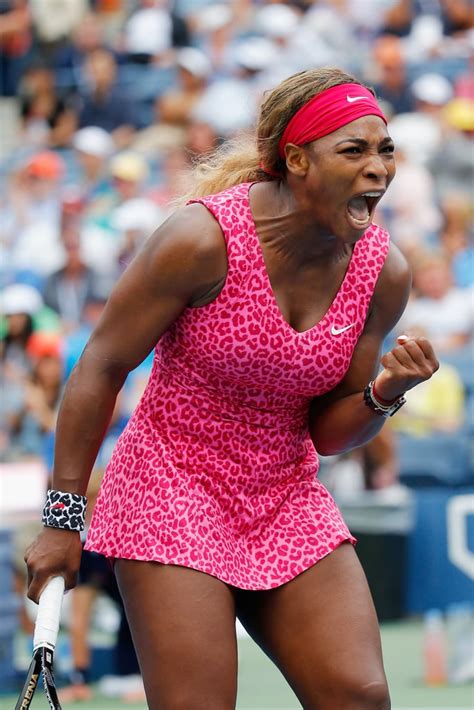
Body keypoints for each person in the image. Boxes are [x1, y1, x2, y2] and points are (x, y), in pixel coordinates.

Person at [24, 67, 439, 709]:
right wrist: (63, 519)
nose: (378, 168)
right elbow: (100, 366)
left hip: (286, 493)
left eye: (385, 150)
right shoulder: (199, 239)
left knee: (359, 696)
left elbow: (329, 432)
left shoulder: (384, 272)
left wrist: (384, 394)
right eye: (353, 151)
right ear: (297, 159)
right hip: (170, 485)